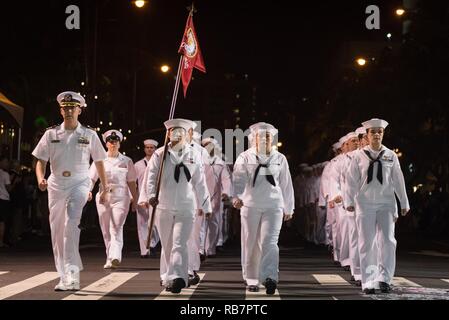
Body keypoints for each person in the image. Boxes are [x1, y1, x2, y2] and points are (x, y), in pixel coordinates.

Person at [32, 91, 109, 291]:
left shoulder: (89, 134)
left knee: (71, 225)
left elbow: (99, 162)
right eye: (65, 108)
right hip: (56, 185)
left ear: (79, 110)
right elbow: (40, 161)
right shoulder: (51, 134)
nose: (68, 111)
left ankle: (72, 275)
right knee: (57, 230)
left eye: (72, 108)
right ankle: (64, 274)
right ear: (60, 110)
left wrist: (104, 187)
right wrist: (40, 178)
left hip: (80, 183)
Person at [345, 118, 410, 294]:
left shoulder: (390, 155)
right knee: (367, 242)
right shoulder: (359, 155)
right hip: (365, 203)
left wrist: (403, 202)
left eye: (379, 132)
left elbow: (398, 180)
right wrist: (349, 201)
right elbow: (351, 181)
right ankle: (369, 281)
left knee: (388, 241)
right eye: (372, 132)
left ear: (383, 134)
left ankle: (385, 279)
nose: (376, 135)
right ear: (367, 135)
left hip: (386, 203)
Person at [147, 118, 212, 294]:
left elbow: (200, 182)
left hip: (186, 206)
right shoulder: (159, 155)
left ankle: (177, 277)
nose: (176, 134)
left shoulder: (194, 154)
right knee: (167, 244)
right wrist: (151, 196)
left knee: (179, 242)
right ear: (168, 134)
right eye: (173, 131)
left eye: (180, 131)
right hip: (164, 206)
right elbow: (151, 178)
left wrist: (206, 205)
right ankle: (170, 276)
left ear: (186, 135)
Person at [233, 122, 294, 295]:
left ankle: (269, 277)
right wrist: (236, 197)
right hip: (250, 205)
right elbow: (238, 179)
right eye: (261, 136)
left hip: (273, 205)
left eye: (267, 136)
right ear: (254, 139)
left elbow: (286, 183)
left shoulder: (279, 158)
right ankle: (251, 278)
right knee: (250, 242)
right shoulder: (245, 157)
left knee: (270, 241)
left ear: (272, 138)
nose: (264, 139)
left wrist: (289, 207)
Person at [89, 129, 138, 269]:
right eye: (110, 141)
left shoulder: (126, 161)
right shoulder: (100, 160)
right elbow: (91, 178)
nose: (113, 144)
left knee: (116, 226)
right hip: (104, 196)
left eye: (116, 142)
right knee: (106, 229)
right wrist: (88, 191)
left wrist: (135, 199)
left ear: (119, 144)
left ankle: (115, 255)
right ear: (106, 144)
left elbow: (132, 182)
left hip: (121, 196)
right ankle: (109, 257)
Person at [135, 139, 160, 258]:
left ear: (155, 149)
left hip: (156, 198)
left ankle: (153, 244)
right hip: (141, 197)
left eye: (152, 148)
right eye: (148, 147)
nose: (149, 149)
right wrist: (133, 199)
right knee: (142, 224)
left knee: (155, 223)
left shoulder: (159, 164)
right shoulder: (138, 165)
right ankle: (144, 250)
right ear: (144, 149)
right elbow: (132, 182)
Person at [0, 156, 11, 248]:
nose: (7, 164)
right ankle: (1, 241)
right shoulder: (5, 174)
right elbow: (9, 188)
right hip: (3, 198)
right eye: (5, 161)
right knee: (2, 221)